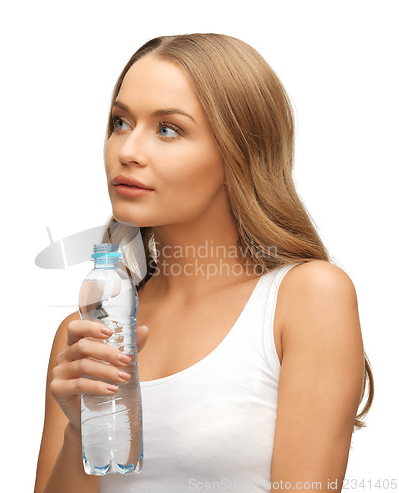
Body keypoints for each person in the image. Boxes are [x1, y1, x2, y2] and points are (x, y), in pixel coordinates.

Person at [33, 33, 374, 493]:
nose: (128, 150)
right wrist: (81, 430)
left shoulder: (307, 299)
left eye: (167, 128)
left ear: (238, 151)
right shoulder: (86, 333)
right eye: (120, 122)